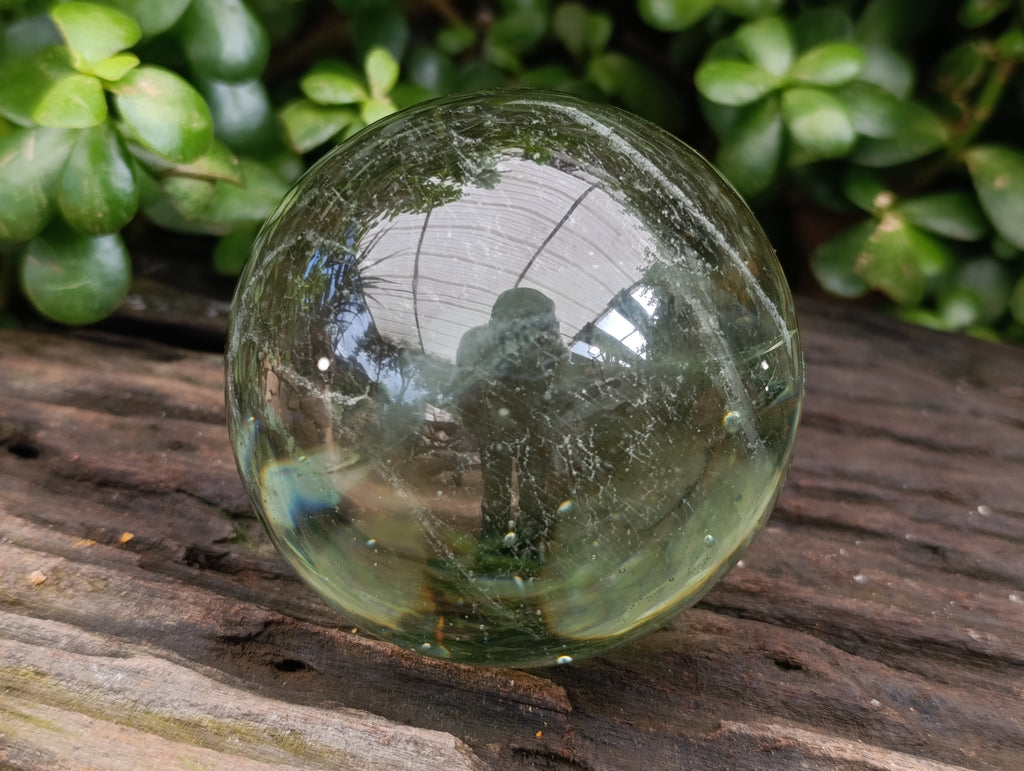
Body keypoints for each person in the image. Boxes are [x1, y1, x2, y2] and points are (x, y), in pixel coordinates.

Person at [454, 288, 568, 567]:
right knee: (497, 491)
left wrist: (548, 431)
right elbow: (464, 391)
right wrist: (475, 428)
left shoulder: (551, 344)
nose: (551, 331)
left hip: (532, 425)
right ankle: (493, 544)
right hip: (494, 426)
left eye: (549, 325)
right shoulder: (475, 342)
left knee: (532, 489)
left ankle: (528, 544)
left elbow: (562, 385)